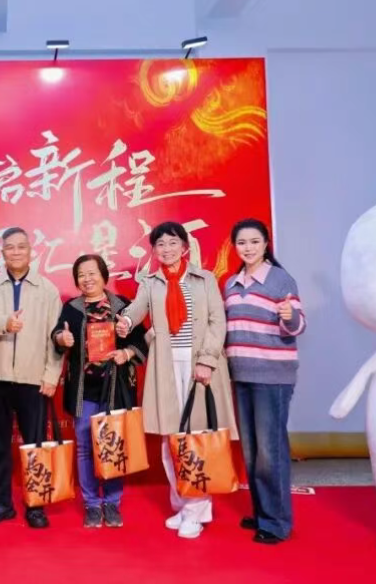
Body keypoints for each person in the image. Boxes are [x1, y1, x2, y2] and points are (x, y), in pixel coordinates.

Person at [116, 221, 236, 539]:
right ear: (154, 250)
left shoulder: (204, 279)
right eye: (160, 244)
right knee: (172, 440)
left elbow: (217, 321)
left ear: (184, 247)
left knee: (197, 438)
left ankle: (196, 511)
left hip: (199, 367)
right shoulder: (150, 282)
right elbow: (137, 309)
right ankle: (184, 504)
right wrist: (125, 321)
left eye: (172, 243)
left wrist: (207, 360)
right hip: (166, 367)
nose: (166, 249)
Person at [224, 218, 305, 545]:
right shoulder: (231, 283)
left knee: (270, 451)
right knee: (252, 450)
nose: (248, 248)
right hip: (241, 374)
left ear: (266, 244)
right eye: (242, 242)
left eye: (254, 242)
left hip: (272, 376)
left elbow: (297, 326)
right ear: (235, 246)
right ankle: (262, 512)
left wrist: (290, 317)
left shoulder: (280, 279)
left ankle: (276, 522)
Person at [0, 227, 63, 528]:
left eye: (21, 247)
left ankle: (36, 505)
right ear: (2, 252)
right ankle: (1, 503)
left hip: (33, 378)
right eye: (10, 247)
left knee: (35, 443)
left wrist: (51, 375)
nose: (15, 252)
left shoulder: (47, 290)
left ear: (30, 251)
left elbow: (56, 336)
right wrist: (5, 323)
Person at [52, 254, 148, 528]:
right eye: (81, 275)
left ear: (104, 275)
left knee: (114, 446)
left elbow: (142, 341)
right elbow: (57, 336)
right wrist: (62, 338)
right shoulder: (71, 308)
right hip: (83, 390)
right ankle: (92, 504)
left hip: (115, 388)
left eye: (92, 273)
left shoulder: (123, 306)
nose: (87, 279)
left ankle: (112, 502)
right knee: (85, 447)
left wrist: (126, 353)